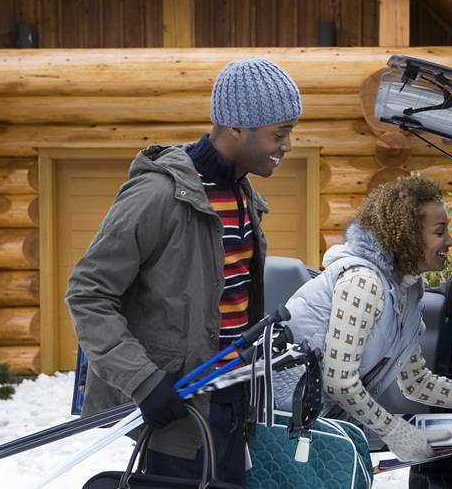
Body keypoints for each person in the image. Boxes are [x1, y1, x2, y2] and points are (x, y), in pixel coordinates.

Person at [65, 58, 302, 484]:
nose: (288, 145)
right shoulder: (160, 195)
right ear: (237, 128)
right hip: (176, 406)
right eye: (280, 133)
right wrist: (143, 382)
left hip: (232, 400)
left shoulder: (242, 194)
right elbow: (88, 293)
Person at [280, 175, 452, 461]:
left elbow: (417, 382)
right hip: (282, 427)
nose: (449, 240)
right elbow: (339, 381)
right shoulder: (364, 282)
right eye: (439, 231)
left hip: (317, 423)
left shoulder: (408, 292)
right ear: (408, 235)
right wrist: (393, 430)